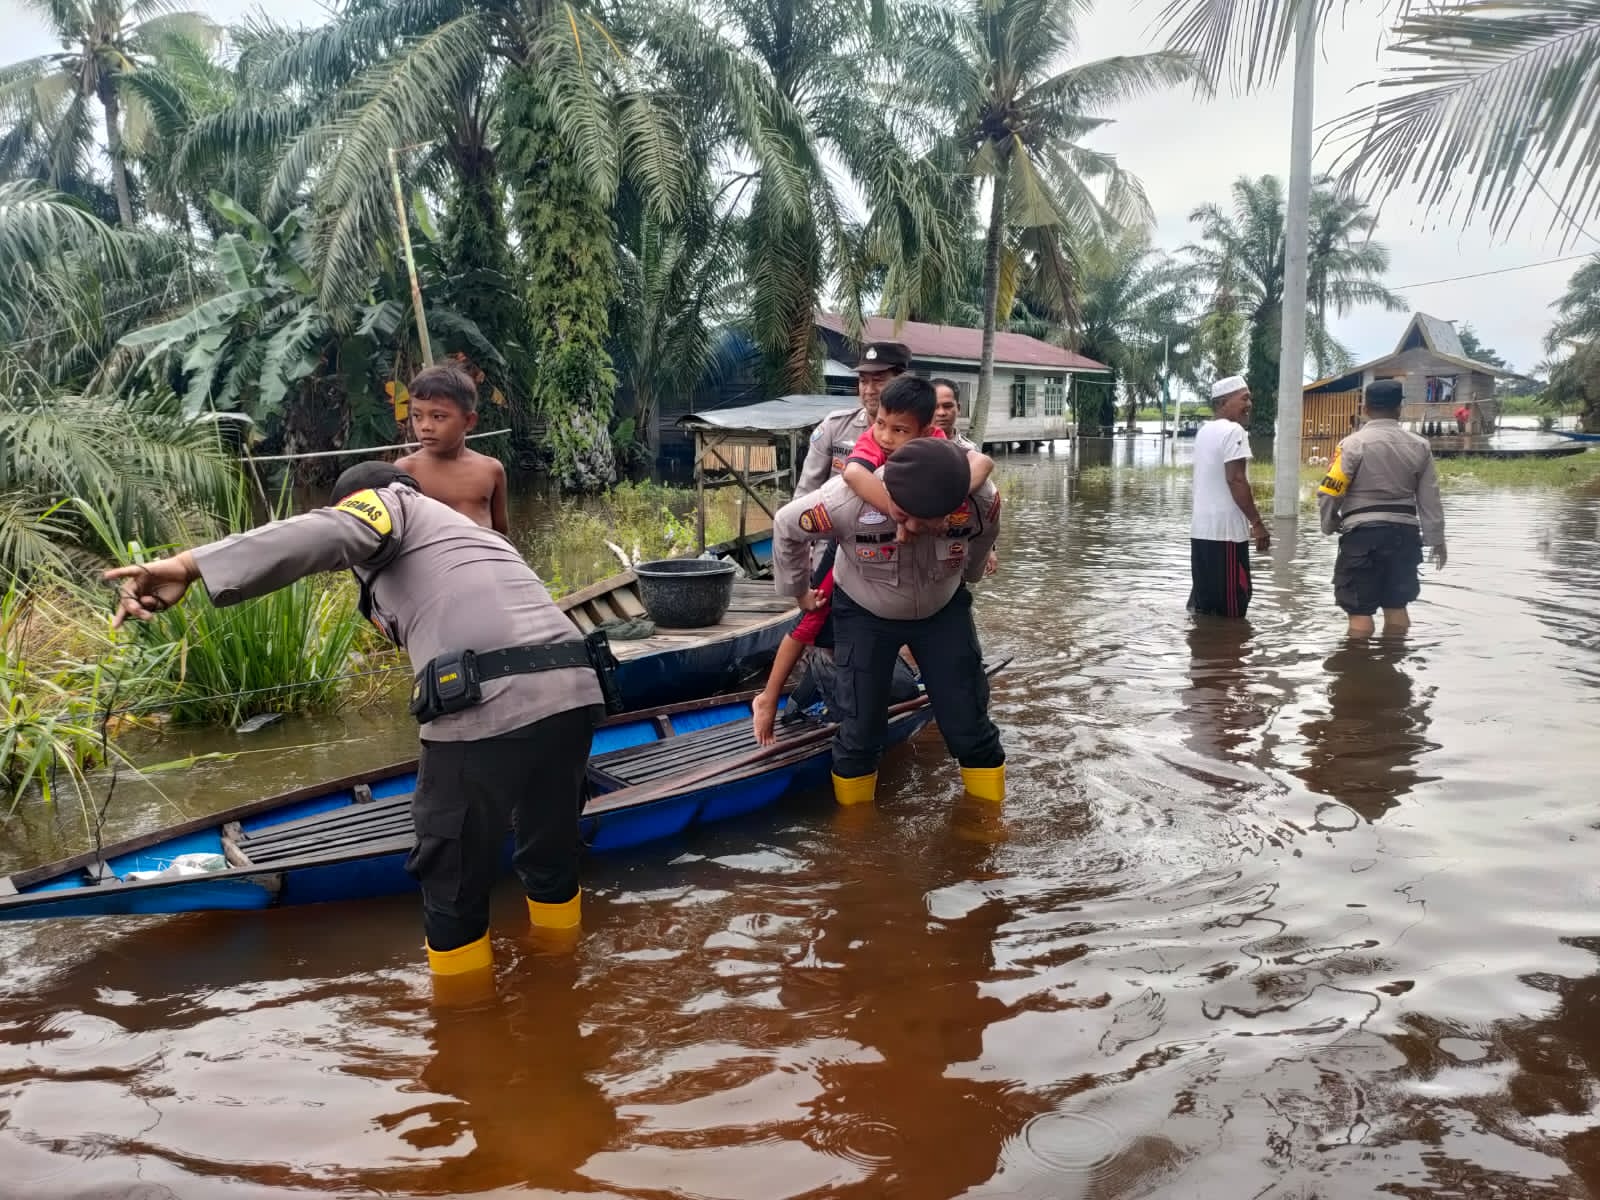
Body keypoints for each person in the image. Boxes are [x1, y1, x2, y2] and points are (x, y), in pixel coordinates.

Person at [102, 462, 609, 979]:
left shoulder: (392, 503)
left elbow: (324, 532)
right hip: (574, 691)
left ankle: (463, 1017)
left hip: (490, 698)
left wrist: (189, 566)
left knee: (450, 876)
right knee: (549, 852)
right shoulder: (469, 535)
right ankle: (561, 978)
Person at [773, 438, 1004, 806]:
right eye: (902, 514)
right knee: (859, 731)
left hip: (942, 608)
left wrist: (971, 572)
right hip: (865, 610)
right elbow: (786, 525)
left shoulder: (981, 500)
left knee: (970, 726)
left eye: (922, 520)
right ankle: (855, 832)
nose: (906, 528)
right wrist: (800, 590)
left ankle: (988, 821)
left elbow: (986, 535)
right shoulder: (847, 501)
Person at [1317, 378, 1447, 638]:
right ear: (1399, 408)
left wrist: (1329, 524)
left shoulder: (1351, 444)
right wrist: (1437, 540)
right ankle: (1394, 657)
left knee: (1359, 612)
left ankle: (1358, 662)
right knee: (1397, 606)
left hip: (1362, 536)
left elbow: (1331, 491)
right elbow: (1430, 498)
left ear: (1365, 409)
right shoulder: (1420, 446)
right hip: (1405, 536)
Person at [394, 365, 510, 537]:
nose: (425, 426)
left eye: (438, 417)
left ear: (469, 421)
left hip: (479, 553)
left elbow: (502, 534)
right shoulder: (406, 471)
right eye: (417, 416)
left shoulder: (491, 470)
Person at [1189, 376, 1269, 619]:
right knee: (1233, 609)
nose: (1249, 404)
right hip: (1227, 535)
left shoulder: (1204, 431)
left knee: (1204, 607)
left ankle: (1204, 642)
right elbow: (1236, 479)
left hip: (1201, 533)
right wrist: (1257, 523)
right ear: (1224, 402)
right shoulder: (1234, 431)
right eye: (1244, 398)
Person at [793, 341, 910, 496]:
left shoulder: (918, 433)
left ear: (902, 382)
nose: (869, 390)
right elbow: (807, 490)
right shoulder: (835, 427)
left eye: (878, 381)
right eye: (863, 381)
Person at [931, 377, 976, 449]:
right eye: (934, 407)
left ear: (958, 408)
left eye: (947, 406)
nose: (941, 413)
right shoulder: (914, 447)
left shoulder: (969, 450)